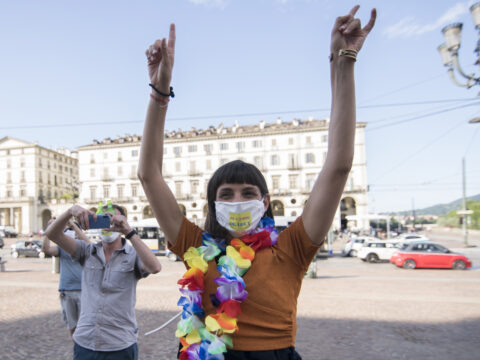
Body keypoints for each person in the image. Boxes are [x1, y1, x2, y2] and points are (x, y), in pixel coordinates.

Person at [138, 5, 376, 359]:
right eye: (227, 194)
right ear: (213, 205)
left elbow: (338, 166)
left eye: (248, 193)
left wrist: (343, 62)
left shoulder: (293, 247)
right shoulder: (193, 245)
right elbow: (149, 175)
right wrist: (159, 93)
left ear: (265, 203)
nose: (237, 200)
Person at [45, 204, 162, 360]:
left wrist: (129, 232)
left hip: (120, 345)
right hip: (85, 343)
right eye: (103, 219)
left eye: (113, 219)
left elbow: (155, 267)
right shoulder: (86, 251)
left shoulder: (133, 255)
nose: (109, 225)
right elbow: (52, 235)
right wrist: (69, 212)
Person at [43, 218, 90, 337]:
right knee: (72, 325)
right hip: (67, 290)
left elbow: (91, 246)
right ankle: (77, 349)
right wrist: (48, 231)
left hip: (84, 290)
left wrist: (74, 226)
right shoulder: (62, 248)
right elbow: (46, 249)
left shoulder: (84, 247)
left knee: (85, 325)